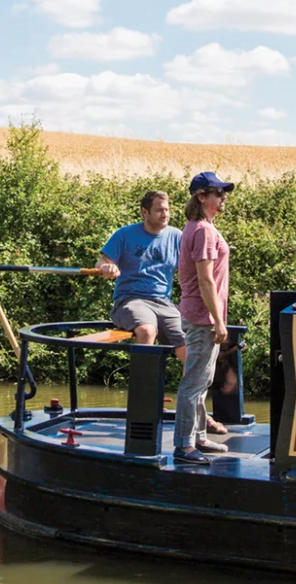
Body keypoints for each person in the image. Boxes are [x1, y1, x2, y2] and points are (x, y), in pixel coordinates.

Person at [172, 172, 234, 465]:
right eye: (218, 193)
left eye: (224, 193)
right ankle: (184, 448)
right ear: (201, 197)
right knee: (194, 383)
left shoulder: (200, 227)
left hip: (200, 315)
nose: (223, 198)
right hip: (203, 317)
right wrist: (218, 320)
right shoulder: (204, 231)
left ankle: (197, 437)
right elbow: (206, 280)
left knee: (201, 380)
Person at [97, 190, 187, 363]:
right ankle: (143, 390)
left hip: (164, 303)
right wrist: (107, 267)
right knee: (147, 330)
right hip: (130, 301)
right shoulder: (124, 234)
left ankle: (191, 390)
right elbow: (102, 261)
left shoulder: (177, 237)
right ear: (144, 212)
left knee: (188, 344)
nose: (165, 214)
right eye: (159, 210)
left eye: (167, 210)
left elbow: (192, 270)